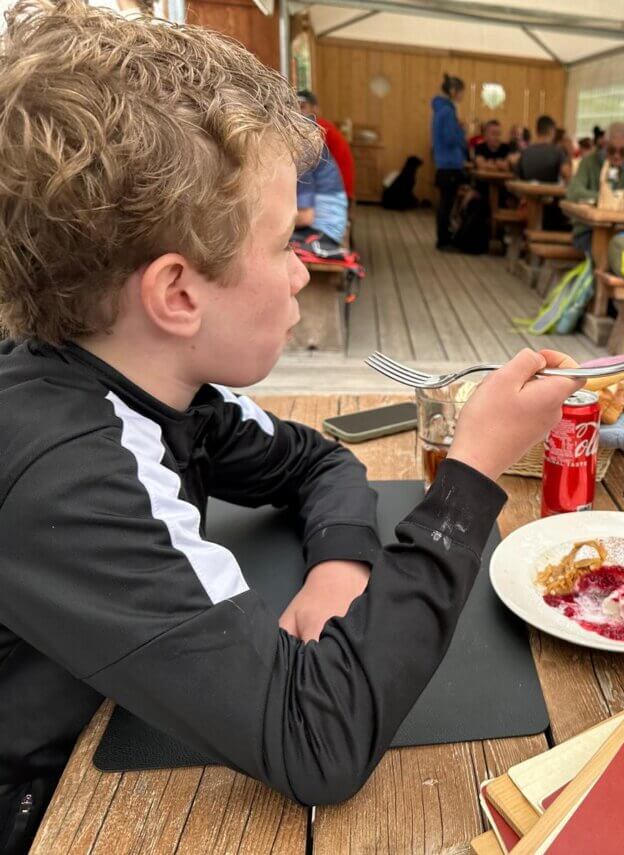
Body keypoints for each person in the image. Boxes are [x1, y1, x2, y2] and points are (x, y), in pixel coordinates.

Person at [0, 5, 585, 852]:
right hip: (49, 804)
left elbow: (316, 461)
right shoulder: (67, 466)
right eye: (283, 242)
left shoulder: (154, 380)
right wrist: (475, 470)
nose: (304, 267)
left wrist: (342, 561)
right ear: (177, 294)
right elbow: (321, 741)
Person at [565, 121, 624, 255]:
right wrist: (610, 198)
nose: (617, 156)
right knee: (613, 255)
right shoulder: (589, 162)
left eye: (623, 152)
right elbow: (573, 192)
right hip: (589, 231)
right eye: (611, 150)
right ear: (604, 145)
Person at [431, 73, 468, 250]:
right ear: (453, 91)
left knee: (446, 203)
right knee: (446, 204)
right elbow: (450, 139)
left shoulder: (442, 110)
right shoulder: (447, 111)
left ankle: (444, 237)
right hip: (449, 164)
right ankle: (443, 240)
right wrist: (462, 131)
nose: (462, 96)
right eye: (461, 92)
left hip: (444, 163)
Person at [296, 89, 355, 202]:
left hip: (335, 189)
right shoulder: (321, 124)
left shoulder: (317, 127)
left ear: (315, 109)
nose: (298, 111)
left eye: (303, 107)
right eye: (295, 107)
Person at [295, 138, 348, 246]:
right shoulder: (304, 141)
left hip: (323, 231)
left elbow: (305, 218)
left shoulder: (302, 150)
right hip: (327, 227)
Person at [516, 115, 571, 184]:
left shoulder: (525, 152)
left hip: (528, 193)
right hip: (551, 193)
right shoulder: (557, 152)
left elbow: (518, 177)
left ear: (536, 131)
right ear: (552, 131)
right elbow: (567, 175)